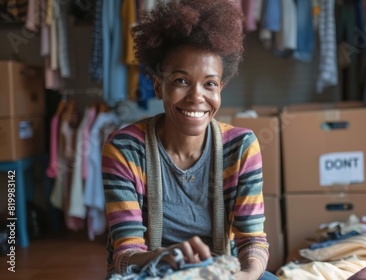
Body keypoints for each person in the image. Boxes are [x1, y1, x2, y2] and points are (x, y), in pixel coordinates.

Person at [102, 1, 275, 279]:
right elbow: (125, 256)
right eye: (181, 81)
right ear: (159, 86)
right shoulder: (124, 149)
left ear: (221, 88)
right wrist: (163, 257)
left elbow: (251, 240)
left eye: (209, 84)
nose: (197, 96)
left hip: (220, 273)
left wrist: (247, 275)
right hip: (153, 272)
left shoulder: (241, 147)